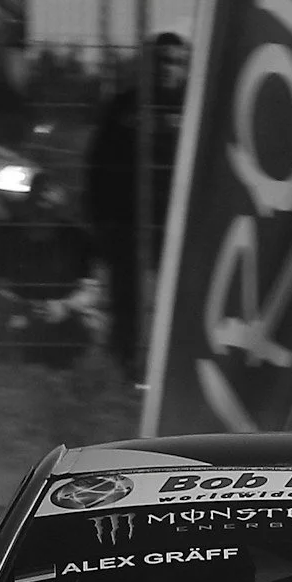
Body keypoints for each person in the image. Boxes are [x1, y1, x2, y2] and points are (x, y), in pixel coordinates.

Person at [83, 29, 188, 375]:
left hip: (177, 225)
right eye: (161, 60)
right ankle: (128, 367)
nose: (168, 68)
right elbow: (97, 164)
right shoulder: (124, 107)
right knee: (127, 300)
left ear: (186, 67)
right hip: (125, 223)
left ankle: (172, 370)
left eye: (176, 62)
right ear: (148, 65)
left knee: (177, 301)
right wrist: (98, 218)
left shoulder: (195, 110)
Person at [0, 178, 103, 368]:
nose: (43, 201)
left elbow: (92, 290)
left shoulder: (77, 239)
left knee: (93, 324)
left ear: (61, 203)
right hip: (19, 312)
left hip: (65, 313)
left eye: (49, 193)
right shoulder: (10, 235)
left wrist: (65, 306)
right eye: (38, 193)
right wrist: (23, 307)